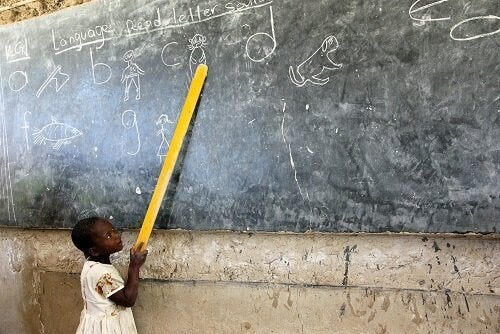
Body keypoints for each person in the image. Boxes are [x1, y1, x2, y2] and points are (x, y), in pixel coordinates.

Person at [71, 217, 148, 334]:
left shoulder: (92, 266)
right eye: (108, 236)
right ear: (94, 251)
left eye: (113, 230)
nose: (116, 235)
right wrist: (134, 265)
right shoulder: (101, 274)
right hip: (106, 328)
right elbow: (128, 300)